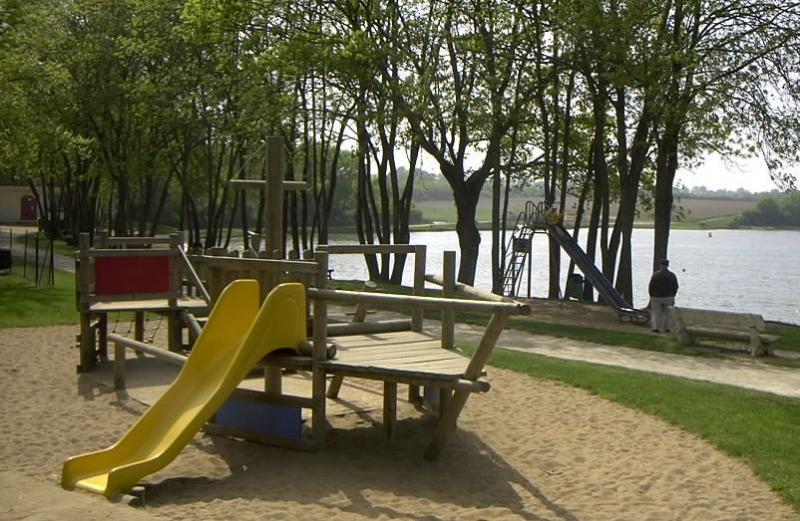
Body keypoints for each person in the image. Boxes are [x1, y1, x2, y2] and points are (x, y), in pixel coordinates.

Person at [648, 258, 679, 333]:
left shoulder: (655, 275)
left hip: (656, 297)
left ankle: (656, 328)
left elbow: (651, 286)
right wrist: (673, 295)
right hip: (669, 296)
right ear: (667, 265)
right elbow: (676, 286)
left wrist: (651, 295)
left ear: (660, 265)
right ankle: (667, 328)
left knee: (656, 313)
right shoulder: (672, 275)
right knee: (668, 313)